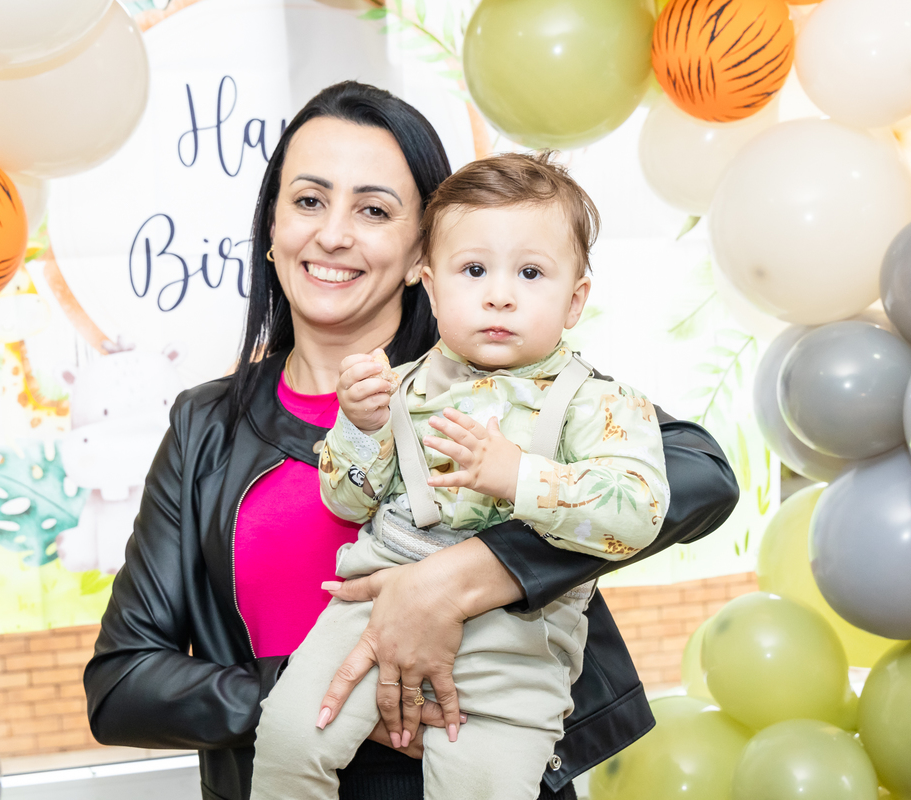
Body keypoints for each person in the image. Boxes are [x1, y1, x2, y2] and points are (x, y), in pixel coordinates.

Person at [83, 81, 739, 800]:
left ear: (420, 250)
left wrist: (464, 576)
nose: (334, 235)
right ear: (271, 228)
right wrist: (329, 688)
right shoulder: (205, 425)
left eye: (373, 209)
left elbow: (700, 473)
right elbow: (123, 684)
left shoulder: (505, 382)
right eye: (308, 201)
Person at [250, 152, 670, 800]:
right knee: (287, 738)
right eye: (474, 270)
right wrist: (359, 428)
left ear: (574, 300)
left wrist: (519, 475)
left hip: (520, 642)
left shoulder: (602, 404)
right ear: (430, 285)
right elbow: (346, 502)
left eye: (531, 272)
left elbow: (638, 512)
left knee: (481, 788)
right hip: (374, 606)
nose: (499, 294)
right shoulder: (398, 387)